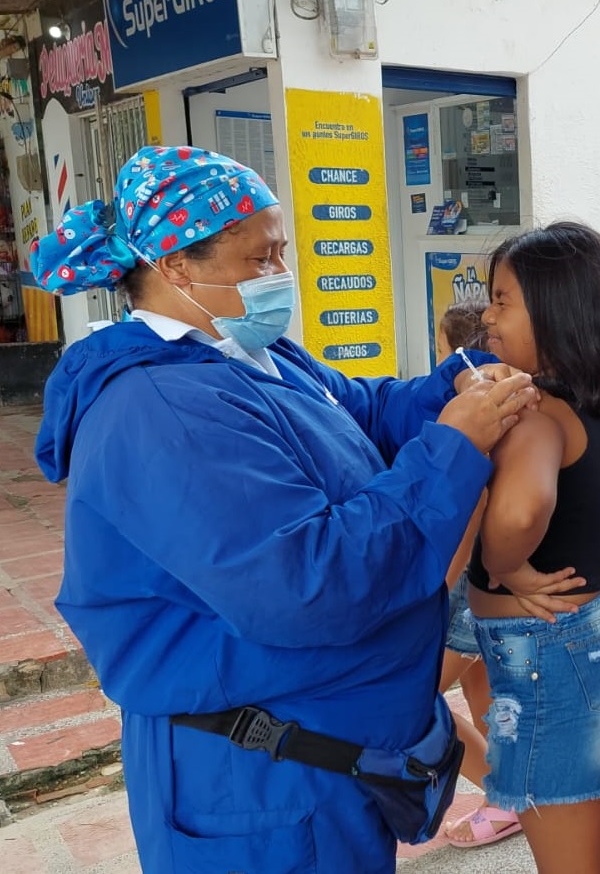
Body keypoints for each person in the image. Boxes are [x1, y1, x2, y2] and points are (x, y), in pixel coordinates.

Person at [29, 146, 540, 873]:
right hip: (254, 778)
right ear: (176, 267)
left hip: (316, 751)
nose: (279, 277)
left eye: (281, 253)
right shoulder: (164, 408)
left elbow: (358, 410)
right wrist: (454, 449)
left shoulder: (241, 353)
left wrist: (455, 387)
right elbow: (306, 582)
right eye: (259, 259)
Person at [465, 222, 600, 873]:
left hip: (549, 655)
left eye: (501, 300)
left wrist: (504, 566)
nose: (487, 316)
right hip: (581, 636)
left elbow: (523, 507)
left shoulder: (541, 414)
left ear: (557, 312)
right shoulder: (597, 398)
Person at [433, 301, 523, 849]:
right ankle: (510, 791)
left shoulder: (474, 419)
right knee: (478, 682)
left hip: (467, 584)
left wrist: (435, 587)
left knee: (415, 696)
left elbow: (470, 508)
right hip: (489, 582)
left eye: (443, 350)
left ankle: (505, 791)